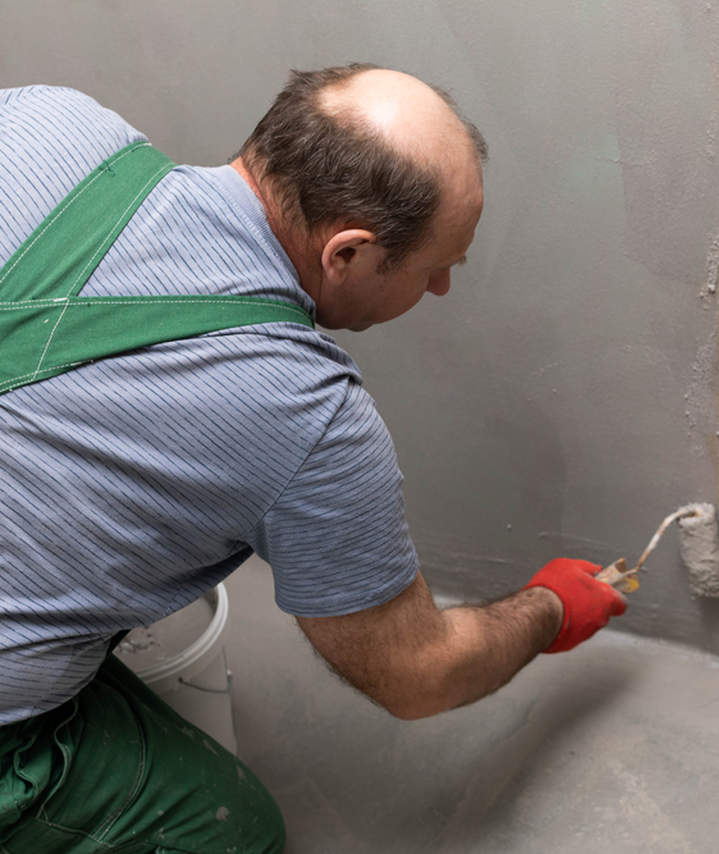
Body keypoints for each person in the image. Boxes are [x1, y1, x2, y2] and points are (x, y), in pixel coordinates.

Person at [0, 64, 627, 852]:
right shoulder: (306, 415)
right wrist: (551, 610)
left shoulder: (45, 121)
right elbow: (417, 674)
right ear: (351, 255)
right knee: (235, 832)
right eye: (436, 268)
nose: (438, 291)